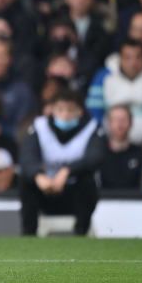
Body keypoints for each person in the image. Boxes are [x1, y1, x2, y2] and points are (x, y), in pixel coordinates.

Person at [19, 88, 104, 236]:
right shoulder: (39, 127)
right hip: (46, 189)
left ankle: (81, 232)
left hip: (74, 193)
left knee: (87, 181)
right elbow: (26, 157)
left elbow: (94, 158)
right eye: (60, 110)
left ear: (80, 111)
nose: (65, 115)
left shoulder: (92, 129)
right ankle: (29, 235)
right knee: (25, 180)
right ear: (52, 110)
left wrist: (67, 171)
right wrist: (38, 175)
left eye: (71, 110)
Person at [100, 104, 142, 189]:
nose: (120, 124)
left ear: (131, 123)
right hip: (103, 200)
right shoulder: (98, 153)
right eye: (116, 119)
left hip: (136, 201)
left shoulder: (141, 153)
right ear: (109, 123)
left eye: (123, 119)